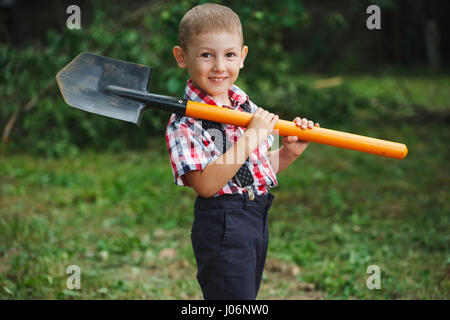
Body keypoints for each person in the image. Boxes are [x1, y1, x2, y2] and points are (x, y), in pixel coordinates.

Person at [165, 3, 319, 300]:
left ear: (243, 56)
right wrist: (251, 137)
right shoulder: (184, 123)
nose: (220, 66)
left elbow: (251, 171)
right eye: (207, 55)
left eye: (229, 55)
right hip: (222, 223)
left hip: (255, 216)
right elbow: (208, 185)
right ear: (182, 57)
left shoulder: (244, 108)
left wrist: (289, 154)